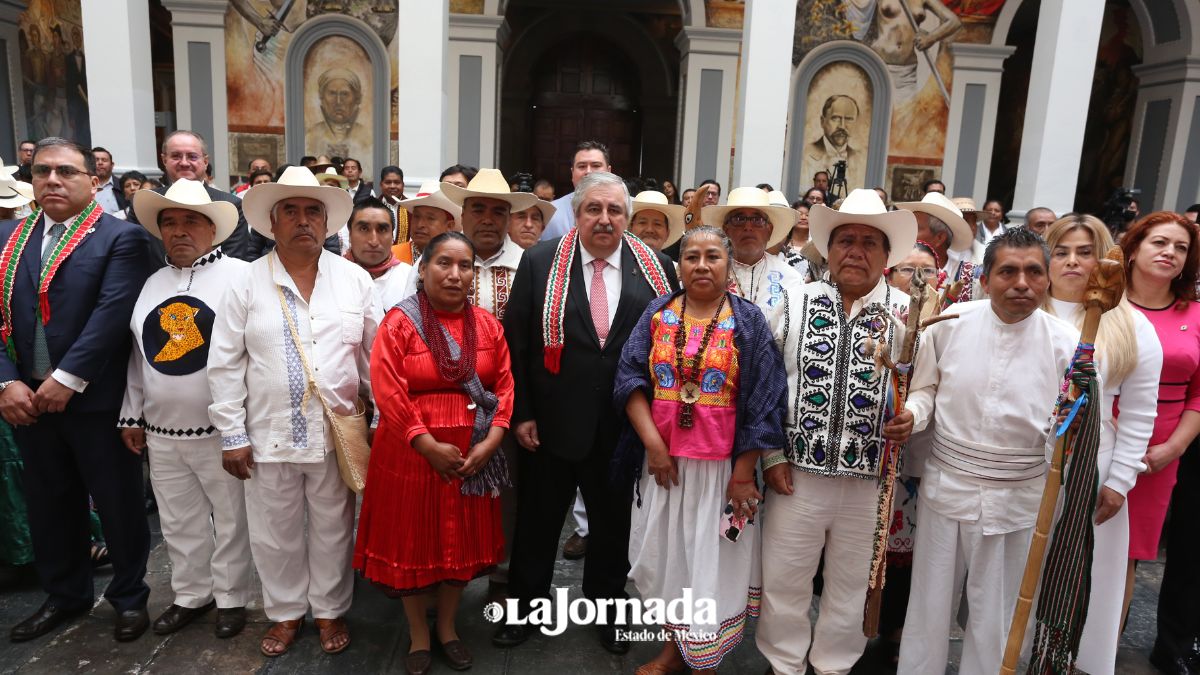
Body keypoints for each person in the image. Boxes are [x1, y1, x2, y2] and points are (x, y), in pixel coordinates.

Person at [496, 171, 678, 653]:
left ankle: (608, 612)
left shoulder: (658, 268)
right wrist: (523, 413)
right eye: (593, 209)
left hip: (622, 429)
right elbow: (516, 344)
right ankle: (524, 611)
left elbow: (669, 350)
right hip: (550, 424)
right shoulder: (538, 263)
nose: (604, 219)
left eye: (614, 210)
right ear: (576, 215)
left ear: (628, 217)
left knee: (613, 526)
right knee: (537, 524)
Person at [208, 164, 380, 657]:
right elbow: (223, 363)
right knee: (273, 531)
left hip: (337, 434)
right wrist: (231, 434)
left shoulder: (354, 281)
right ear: (272, 223)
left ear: (326, 224)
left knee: (333, 527)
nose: (303, 221)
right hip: (268, 433)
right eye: (292, 212)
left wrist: (385, 420)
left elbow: (374, 358)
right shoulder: (245, 283)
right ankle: (285, 613)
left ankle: (328, 610)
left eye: (313, 212)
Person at [898, 228, 1080, 675]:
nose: (1022, 282)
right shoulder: (950, 324)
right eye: (1008, 271)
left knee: (998, 614)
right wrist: (912, 416)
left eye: (1034, 271)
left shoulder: (1071, 345)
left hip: (1021, 498)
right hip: (948, 486)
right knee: (929, 606)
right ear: (985, 278)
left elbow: (1074, 429)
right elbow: (925, 390)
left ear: (1048, 278)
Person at [757, 188, 916, 675]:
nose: (856, 250)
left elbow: (927, 384)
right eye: (846, 239)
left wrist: (917, 414)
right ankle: (783, 664)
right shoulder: (795, 301)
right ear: (829, 248)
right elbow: (763, 386)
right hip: (795, 475)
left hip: (871, 480)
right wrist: (770, 457)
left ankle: (833, 666)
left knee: (850, 584)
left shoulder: (909, 314)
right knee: (785, 578)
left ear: (887, 255)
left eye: (870, 242)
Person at [614, 226, 786, 674]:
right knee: (668, 558)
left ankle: (704, 656)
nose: (701, 265)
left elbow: (766, 399)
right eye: (692, 257)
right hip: (663, 466)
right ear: (679, 265)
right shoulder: (658, 312)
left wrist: (744, 472)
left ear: (728, 266)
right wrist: (653, 444)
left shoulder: (747, 321)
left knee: (712, 562)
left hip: (722, 471)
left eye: (713, 256)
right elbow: (629, 378)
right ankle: (675, 649)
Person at [1, 138, 153, 643]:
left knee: (118, 504)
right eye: (42, 171)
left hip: (95, 401)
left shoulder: (119, 238)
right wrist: (6, 382)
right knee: (49, 504)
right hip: (28, 401)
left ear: (92, 180)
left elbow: (111, 315)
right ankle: (65, 596)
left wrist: (65, 379)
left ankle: (129, 599)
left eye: (66, 171)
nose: (52, 180)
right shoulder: (12, 239)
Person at [354, 231, 513, 675]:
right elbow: (387, 389)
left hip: (471, 453)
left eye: (465, 266)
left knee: (456, 542)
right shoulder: (399, 323)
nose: (455, 274)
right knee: (413, 538)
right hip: (410, 452)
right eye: (444, 263)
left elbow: (504, 385)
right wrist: (424, 442)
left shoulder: (487, 325)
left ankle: (447, 627)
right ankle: (418, 634)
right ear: (422, 271)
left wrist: (494, 437)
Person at [119, 179, 255, 639]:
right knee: (178, 519)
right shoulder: (152, 282)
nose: (179, 231)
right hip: (161, 431)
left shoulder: (241, 275)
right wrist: (131, 413)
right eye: (170, 222)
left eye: (191, 221)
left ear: (212, 228)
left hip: (221, 430)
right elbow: (139, 355)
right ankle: (192, 594)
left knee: (232, 518)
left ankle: (233, 597)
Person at [1040, 214, 1161, 675]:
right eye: (1062, 251)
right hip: (1026, 467)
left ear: (1104, 260)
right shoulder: (1025, 309)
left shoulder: (1131, 325)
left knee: (1084, 579)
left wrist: (1120, 480)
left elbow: (1138, 413)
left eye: (1085, 252)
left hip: (1097, 468)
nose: (1073, 262)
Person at [1115, 212, 1200, 674]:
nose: (1170, 252)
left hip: (1161, 452)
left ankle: (1102, 651)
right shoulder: (1104, 304)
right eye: (1160, 242)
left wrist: (1174, 448)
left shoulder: (1196, 314)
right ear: (1133, 248)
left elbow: (1199, 393)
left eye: (1181, 248)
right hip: (1099, 437)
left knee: (1126, 555)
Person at [126, 131, 253, 265]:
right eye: (176, 156)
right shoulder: (144, 204)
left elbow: (234, 259)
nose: (184, 163)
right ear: (164, 160)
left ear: (205, 161)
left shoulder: (231, 205)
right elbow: (133, 255)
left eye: (192, 157)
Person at [440, 168, 537, 320]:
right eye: (478, 211)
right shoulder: (437, 257)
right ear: (463, 215)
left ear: (509, 220)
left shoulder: (527, 265)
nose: (487, 220)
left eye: (498, 212)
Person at [703, 187, 801, 314]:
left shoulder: (790, 279)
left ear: (769, 230)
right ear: (726, 229)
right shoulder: (707, 273)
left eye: (757, 220)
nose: (748, 227)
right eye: (739, 219)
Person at [344, 197, 413, 308]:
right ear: (350, 234)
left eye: (382, 229)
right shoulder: (331, 276)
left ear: (392, 236)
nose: (373, 241)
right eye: (364, 229)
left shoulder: (410, 278)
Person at [540, 141, 612, 242]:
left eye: (596, 165)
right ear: (572, 172)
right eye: (582, 166)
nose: (588, 172)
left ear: (608, 171)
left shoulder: (630, 207)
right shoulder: (550, 212)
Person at [896, 191, 975, 283]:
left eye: (916, 228)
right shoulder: (893, 269)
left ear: (939, 238)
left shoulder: (970, 277)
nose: (907, 232)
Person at [395, 182, 460, 264]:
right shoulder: (392, 256)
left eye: (430, 218)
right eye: (416, 216)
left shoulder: (458, 260)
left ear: (449, 226)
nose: (420, 224)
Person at [379, 165, 410, 247]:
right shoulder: (372, 207)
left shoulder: (411, 208)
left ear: (403, 185)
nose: (392, 186)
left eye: (397, 182)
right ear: (381, 184)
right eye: (388, 182)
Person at [91, 147, 123, 214]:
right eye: (96, 160)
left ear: (112, 165)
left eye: (104, 160)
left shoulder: (122, 186)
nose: (100, 163)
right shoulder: (82, 187)